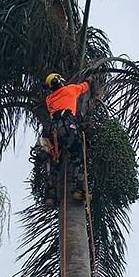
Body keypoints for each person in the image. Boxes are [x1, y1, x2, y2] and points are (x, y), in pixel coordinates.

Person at [44, 73, 92, 204]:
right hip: (68, 127)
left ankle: (50, 194)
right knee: (78, 156)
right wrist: (89, 78)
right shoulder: (70, 89)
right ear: (60, 82)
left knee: (54, 160)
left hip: (54, 131)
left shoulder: (49, 99)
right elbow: (85, 87)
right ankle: (78, 189)